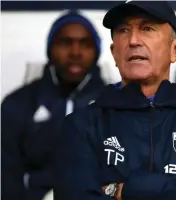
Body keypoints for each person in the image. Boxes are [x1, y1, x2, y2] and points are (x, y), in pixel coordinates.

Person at [54, 2, 176, 200]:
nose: (133, 40)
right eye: (123, 30)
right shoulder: (81, 126)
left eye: (147, 28)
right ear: (115, 53)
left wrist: (128, 190)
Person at [1, 10, 106, 200]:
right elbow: (6, 176)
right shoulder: (17, 104)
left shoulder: (115, 105)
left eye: (85, 44)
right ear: (50, 49)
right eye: (65, 43)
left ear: (96, 51)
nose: (75, 52)